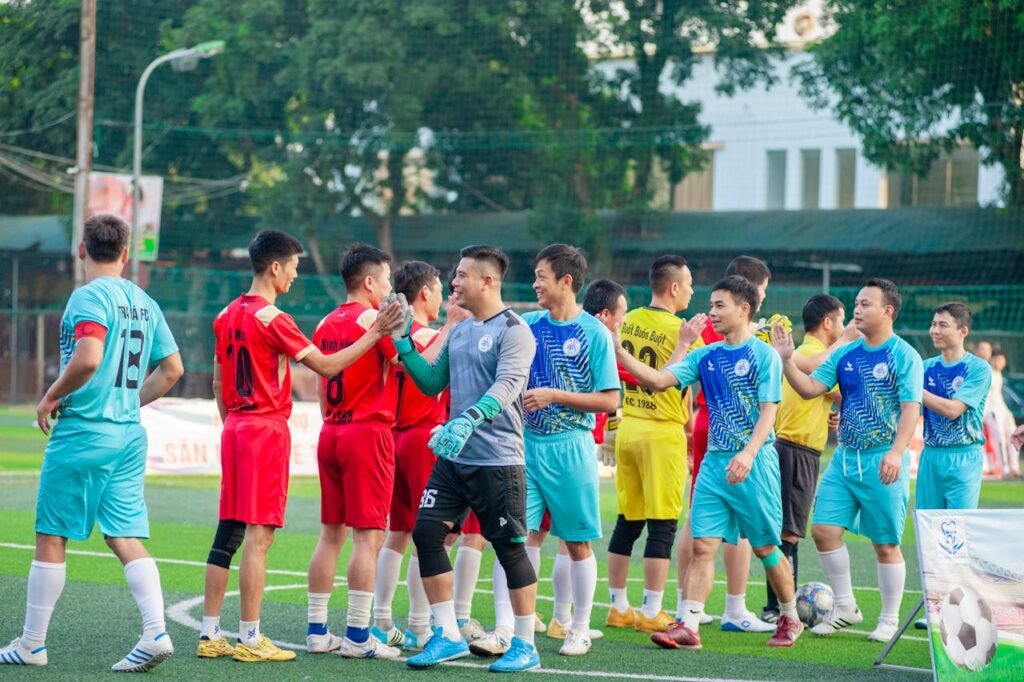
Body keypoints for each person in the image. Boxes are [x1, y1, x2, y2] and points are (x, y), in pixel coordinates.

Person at [198, 232, 402, 663]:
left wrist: (233, 422)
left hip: (234, 425)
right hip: (265, 428)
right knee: (260, 536)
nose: (295, 273)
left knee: (229, 531)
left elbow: (217, 382)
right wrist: (377, 332)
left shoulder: (225, 313)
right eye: (292, 265)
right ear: (274, 267)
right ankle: (251, 637)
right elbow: (327, 367)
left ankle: (211, 631)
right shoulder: (274, 318)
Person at [0, 214, 184, 670]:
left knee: (51, 535)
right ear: (126, 254)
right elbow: (173, 370)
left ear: (81, 250)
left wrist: (49, 396)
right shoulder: (144, 301)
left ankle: (31, 644)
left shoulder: (87, 296)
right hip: (127, 435)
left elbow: (88, 358)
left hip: (84, 432)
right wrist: (127, 402)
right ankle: (156, 631)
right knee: (124, 535)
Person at [619, 276, 804, 650]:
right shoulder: (706, 355)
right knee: (703, 546)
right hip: (713, 466)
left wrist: (749, 453)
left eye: (720, 305)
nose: (711, 312)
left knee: (767, 547)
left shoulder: (763, 355)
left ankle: (790, 616)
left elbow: (770, 412)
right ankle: (688, 625)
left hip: (755, 464)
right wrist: (618, 350)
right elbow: (658, 380)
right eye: (712, 304)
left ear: (744, 309)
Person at [395, 245, 541, 673]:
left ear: (487, 281)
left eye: (460, 276)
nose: (453, 283)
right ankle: (447, 634)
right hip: (454, 459)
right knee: (426, 535)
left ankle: (525, 644)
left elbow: (509, 385)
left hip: (498, 461)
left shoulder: (514, 330)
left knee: (510, 550)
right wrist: (402, 341)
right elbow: (429, 382)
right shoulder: (458, 329)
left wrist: (469, 418)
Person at [771, 278, 923, 643]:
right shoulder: (845, 352)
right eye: (856, 302)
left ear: (887, 311)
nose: (857, 308)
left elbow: (910, 409)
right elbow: (809, 389)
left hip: (882, 459)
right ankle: (846, 606)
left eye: (866, 303)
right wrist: (787, 360)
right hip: (844, 459)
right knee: (823, 530)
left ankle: (888, 619)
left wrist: (896, 453)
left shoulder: (904, 355)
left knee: (885, 543)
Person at [485, 245, 619, 658]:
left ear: (566, 281)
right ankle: (505, 629)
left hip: (571, 449)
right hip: (523, 448)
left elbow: (610, 400)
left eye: (542, 276)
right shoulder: (526, 325)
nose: (535, 283)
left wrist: (555, 396)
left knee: (578, 542)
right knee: (512, 539)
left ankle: (577, 628)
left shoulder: (594, 333)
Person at [304, 243, 410, 659]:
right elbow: (405, 366)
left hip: (332, 430)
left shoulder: (325, 321)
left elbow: (319, 386)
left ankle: (317, 631)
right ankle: (359, 636)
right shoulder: (373, 320)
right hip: (367, 432)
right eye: (385, 280)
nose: (388, 289)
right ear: (368, 282)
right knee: (368, 537)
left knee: (331, 534)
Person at [371, 260, 472, 650]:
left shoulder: (394, 334)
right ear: (425, 293)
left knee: (397, 533)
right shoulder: (427, 334)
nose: (446, 298)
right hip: (422, 439)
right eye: (440, 290)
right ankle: (419, 624)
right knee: (432, 535)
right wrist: (454, 323)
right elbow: (432, 364)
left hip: (393, 437)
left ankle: (380, 618)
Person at [681, 255, 774, 633]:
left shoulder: (710, 330)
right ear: (747, 293)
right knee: (734, 518)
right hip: (729, 433)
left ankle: (686, 608)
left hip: (705, 424)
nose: (765, 298)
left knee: (698, 517)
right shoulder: (731, 333)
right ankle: (735, 608)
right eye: (763, 290)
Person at [605, 255, 694, 634]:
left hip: (629, 426)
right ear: (674, 287)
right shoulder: (687, 332)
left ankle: (618, 606)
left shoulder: (628, 321)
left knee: (628, 520)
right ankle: (652, 610)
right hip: (662, 432)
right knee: (663, 525)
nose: (691, 290)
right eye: (688, 283)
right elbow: (682, 384)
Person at [761, 295, 846, 622]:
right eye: (841, 320)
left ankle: (778, 607)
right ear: (828, 323)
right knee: (789, 535)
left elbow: (824, 395)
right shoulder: (816, 356)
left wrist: (826, 412)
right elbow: (840, 392)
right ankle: (780, 609)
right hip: (798, 452)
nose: (843, 326)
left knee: (784, 532)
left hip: (788, 447)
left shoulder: (805, 353)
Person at [912, 302, 992, 629]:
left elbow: (952, 410)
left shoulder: (978, 369)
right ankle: (936, 609)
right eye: (933, 324)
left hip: (964, 457)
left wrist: (913, 391)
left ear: (963, 331)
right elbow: (904, 409)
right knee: (929, 534)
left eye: (943, 325)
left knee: (955, 537)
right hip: (931, 456)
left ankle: (960, 612)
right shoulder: (925, 367)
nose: (935, 330)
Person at [988, 350, 1019, 477]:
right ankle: (1004, 469)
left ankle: (1014, 467)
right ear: (992, 359)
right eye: (997, 360)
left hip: (1003, 409)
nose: (999, 363)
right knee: (1000, 438)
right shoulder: (987, 373)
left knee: (1014, 434)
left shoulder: (999, 374)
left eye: (1002, 360)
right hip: (990, 410)